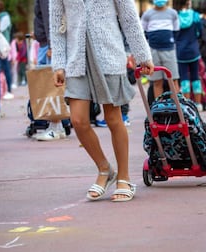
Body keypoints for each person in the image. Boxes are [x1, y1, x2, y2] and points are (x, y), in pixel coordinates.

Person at [49, 0, 154, 201]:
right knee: (78, 120)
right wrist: (59, 65)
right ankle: (105, 169)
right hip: (76, 60)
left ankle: (124, 177)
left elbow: (129, 18)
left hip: (108, 55)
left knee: (113, 118)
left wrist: (142, 55)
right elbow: (57, 26)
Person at [33, 0, 67, 141]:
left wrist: (52, 46)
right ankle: (56, 126)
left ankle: (55, 126)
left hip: (47, 45)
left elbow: (50, 18)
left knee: (50, 87)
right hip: (46, 43)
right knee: (51, 87)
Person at [141, 0, 180, 99]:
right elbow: (142, 32)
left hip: (169, 50)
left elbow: (176, 31)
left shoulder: (173, 13)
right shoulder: (147, 14)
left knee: (173, 80)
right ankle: (159, 109)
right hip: (153, 50)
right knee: (157, 81)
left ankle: (176, 109)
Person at [0, 0, 13, 100]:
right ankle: (3, 90)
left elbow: (1, 29)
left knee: (6, 68)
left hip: (2, 47)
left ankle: (9, 90)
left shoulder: (5, 16)